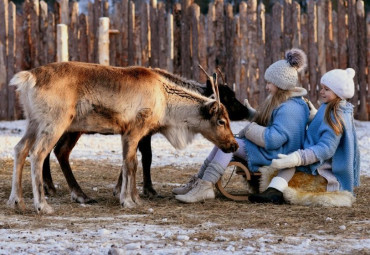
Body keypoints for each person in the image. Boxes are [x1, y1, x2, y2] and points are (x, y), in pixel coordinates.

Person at [173, 48, 310, 203]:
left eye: (269, 83)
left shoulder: (289, 109)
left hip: (277, 155)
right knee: (223, 143)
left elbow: (274, 139)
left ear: (280, 84)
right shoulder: (287, 103)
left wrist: (250, 129)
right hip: (273, 151)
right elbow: (272, 123)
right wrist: (251, 114)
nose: (267, 87)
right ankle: (200, 181)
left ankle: (205, 186)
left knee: (229, 145)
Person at [249, 68, 360, 204]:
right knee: (289, 161)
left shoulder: (337, 115)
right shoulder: (330, 107)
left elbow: (326, 148)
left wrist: (298, 158)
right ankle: (274, 190)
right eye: (322, 88)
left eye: (326, 89)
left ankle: (274, 191)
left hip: (323, 167)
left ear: (338, 93)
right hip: (316, 157)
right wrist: (313, 115)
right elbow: (321, 125)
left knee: (291, 162)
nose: (321, 91)